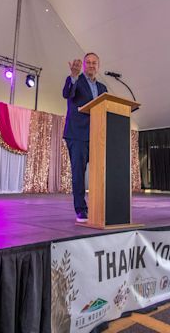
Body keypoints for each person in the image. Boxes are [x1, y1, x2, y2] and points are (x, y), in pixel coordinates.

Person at [63, 53, 107, 222]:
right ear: (83, 66)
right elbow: (67, 93)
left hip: (97, 136)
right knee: (79, 172)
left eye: (94, 62)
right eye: (88, 62)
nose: (91, 65)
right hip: (77, 134)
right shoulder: (77, 81)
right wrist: (73, 77)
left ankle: (98, 205)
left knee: (99, 172)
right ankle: (80, 209)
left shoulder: (103, 88)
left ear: (98, 66)